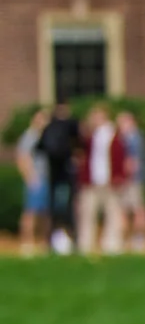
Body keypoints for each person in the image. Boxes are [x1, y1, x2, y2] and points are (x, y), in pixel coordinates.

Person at [75, 104, 128, 256]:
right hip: (91, 182)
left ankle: (112, 244)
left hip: (110, 181)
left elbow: (120, 158)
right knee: (88, 214)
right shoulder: (89, 137)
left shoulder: (113, 136)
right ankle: (85, 244)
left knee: (112, 213)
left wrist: (119, 177)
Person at [37, 100, 79, 255]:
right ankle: (69, 239)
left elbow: (40, 148)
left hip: (54, 177)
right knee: (66, 210)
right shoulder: (71, 125)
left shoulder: (49, 128)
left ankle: (53, 239)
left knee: (55, 210)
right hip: (65, 176)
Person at [15, 109, 50, 255]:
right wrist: (30, 177)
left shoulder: (48, 137)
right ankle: (27, 242)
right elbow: (21, 158)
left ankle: (43, 242)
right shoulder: (29, 136)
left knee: (45, 213)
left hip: (48, 178)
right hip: (36, 179)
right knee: (31, 212)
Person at [116, 109, 145, 252]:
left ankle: (138, 238)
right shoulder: (124, 138)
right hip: (126, 180)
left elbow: (133, 163)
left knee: (137, 209)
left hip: (132, 181)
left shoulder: (134, 138)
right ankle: (127, 239)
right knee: (124, 210)